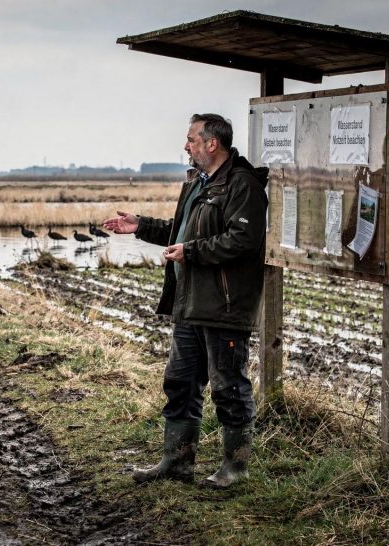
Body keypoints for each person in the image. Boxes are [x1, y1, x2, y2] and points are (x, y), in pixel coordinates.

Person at [103, 114, 268, 488]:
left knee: (228, 387)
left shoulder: (242, 185)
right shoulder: (198, 182)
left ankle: (235, 469)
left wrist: (191, 251)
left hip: (224, 306)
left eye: (192, 138)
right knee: (179, 382)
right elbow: (182, 234)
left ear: (213, 144)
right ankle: (176, 462)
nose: (186, 145)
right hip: (191, 303)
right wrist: (141, 226)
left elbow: (242, 240)